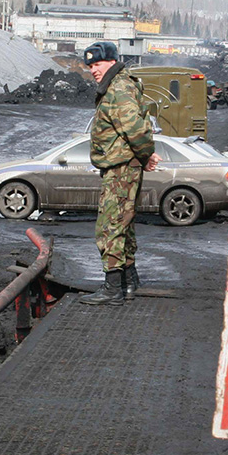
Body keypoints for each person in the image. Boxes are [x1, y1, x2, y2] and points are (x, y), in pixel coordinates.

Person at [80, 42, 161, 306]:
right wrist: (144, 156)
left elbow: (136, 129)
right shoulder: (119, 86)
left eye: (98, 64)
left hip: (121, 168)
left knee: (109, 226)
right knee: (123, 224)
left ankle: (113, 289)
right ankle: (128, 282)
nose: (94, 70)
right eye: (91, 66)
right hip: (123, 165)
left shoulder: (118, 88)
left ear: (113, 61)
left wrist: (145, 154)